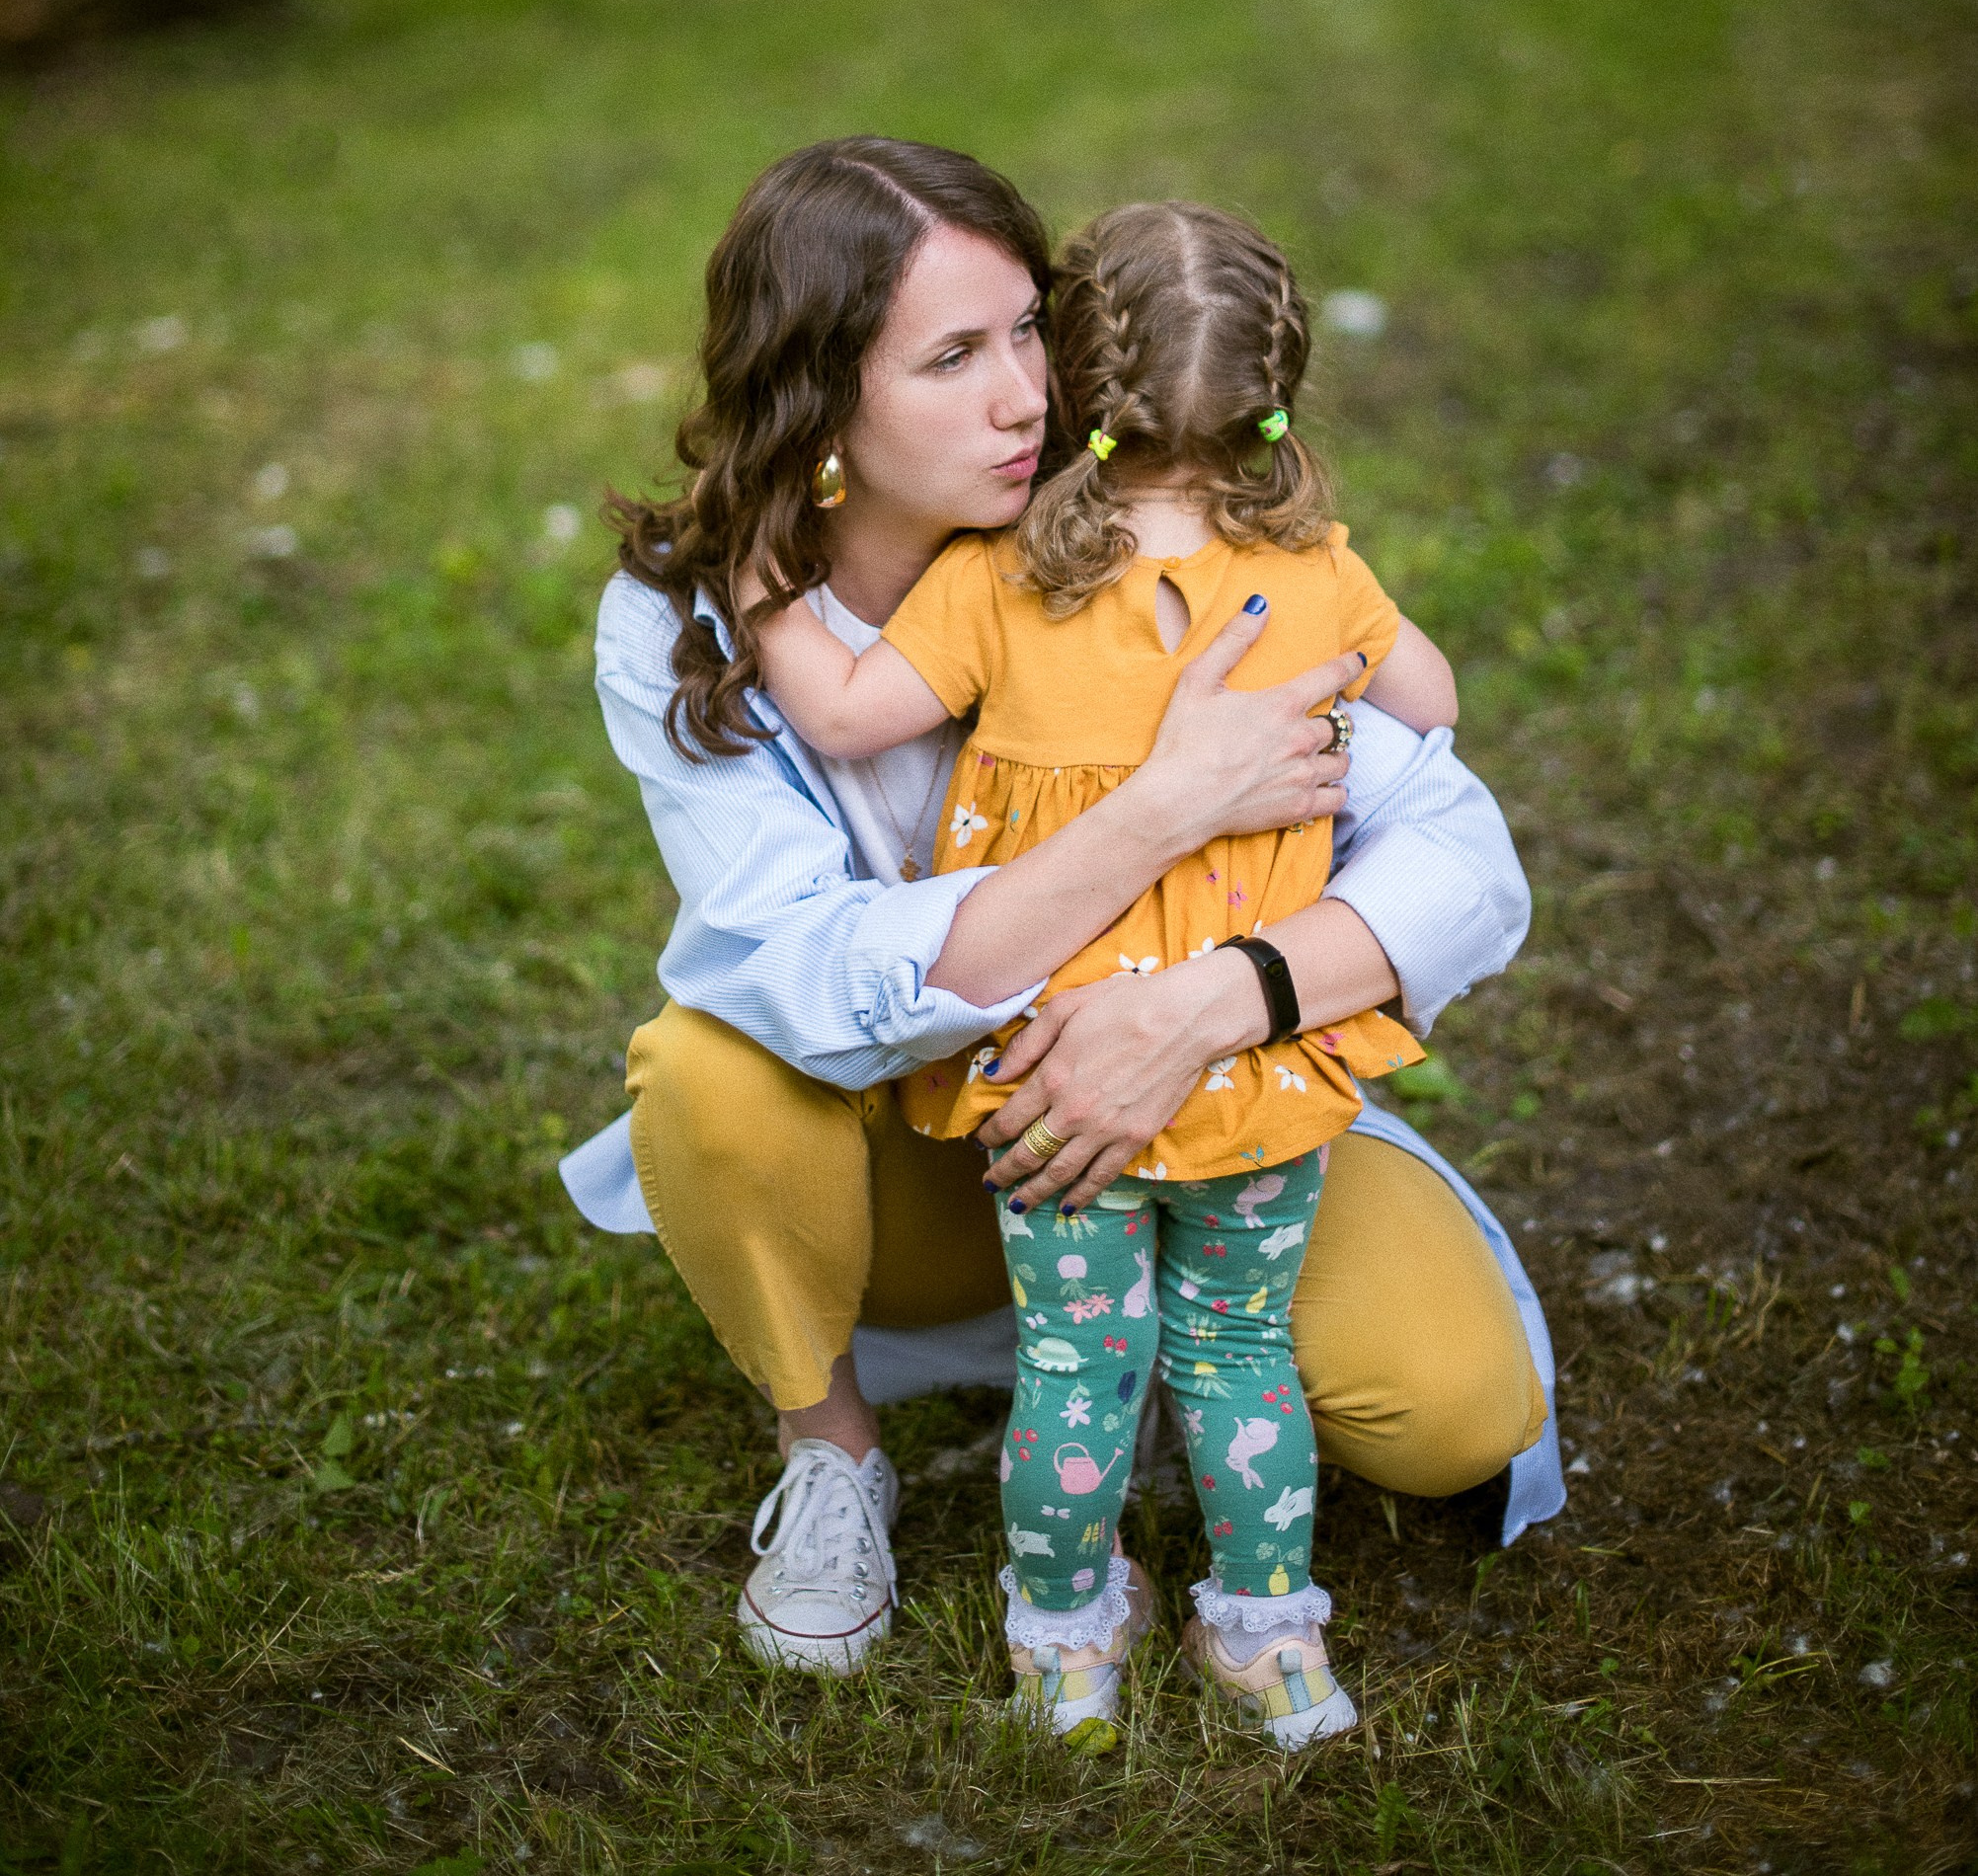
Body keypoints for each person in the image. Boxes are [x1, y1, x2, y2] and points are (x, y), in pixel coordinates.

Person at [556, 138, 1561, 1686]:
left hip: (1210, 1093)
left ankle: (1154, 1357)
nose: (1028, 394)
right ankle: (834, 1451)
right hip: (908, 1141)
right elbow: (803, 971)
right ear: (819, 394)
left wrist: (1203, 1006)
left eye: (1032, 329)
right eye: (954, 356)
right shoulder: (691, 617)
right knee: (705, 1068)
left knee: (1453, 1413)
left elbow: (1464, 857)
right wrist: (1164, 804)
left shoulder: (1159, 543)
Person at [742, 201, 1462, 1748]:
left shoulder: (1004, 579)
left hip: (1054, 1076)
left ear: (1078, 385)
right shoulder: (1319, 573)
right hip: (1259, 1080)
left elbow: (853, 717)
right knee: (1240, 1354)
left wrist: (751, 590)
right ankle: (1268, 1637)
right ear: (1275, 395)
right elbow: (1434, 699)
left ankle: (1065, 1642)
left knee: (1077, 1363)